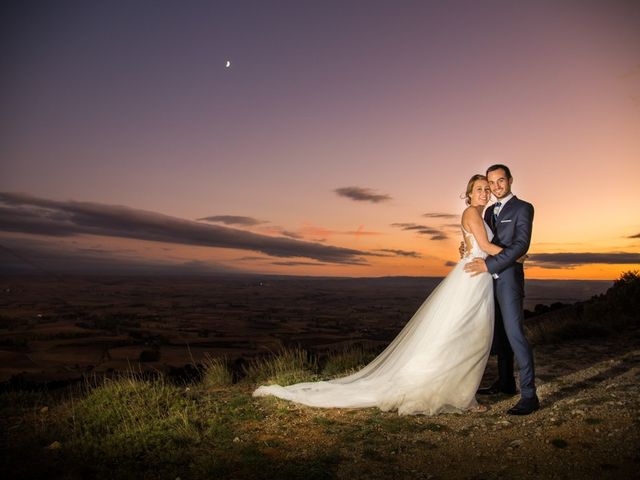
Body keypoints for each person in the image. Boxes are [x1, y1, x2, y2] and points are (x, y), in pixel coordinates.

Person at [253, 174, 501, 415]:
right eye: (479, 189)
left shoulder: (481, 214)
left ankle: (460, 391)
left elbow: (474, 246)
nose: (484, 193)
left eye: (486, 189)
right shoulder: (471, 212)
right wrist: (517, 254)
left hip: (476, 275)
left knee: (463, 335)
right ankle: (461, 396)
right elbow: (487, 247)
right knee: (466, 335)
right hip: (472, 277)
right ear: (469, 194)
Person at [464, 164, 539, 415]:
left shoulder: (523, 208)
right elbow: (481, 242)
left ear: (510, 181)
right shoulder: (486, 214)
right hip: (487, 281)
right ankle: (506, 382)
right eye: (491, 182)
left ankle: (529, 395)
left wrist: (488, 264)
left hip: (507, 279)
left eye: (500, 181)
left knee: (515, 333)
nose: (495, 187)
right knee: (499, 336)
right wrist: (466, 249)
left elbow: (521, 245)